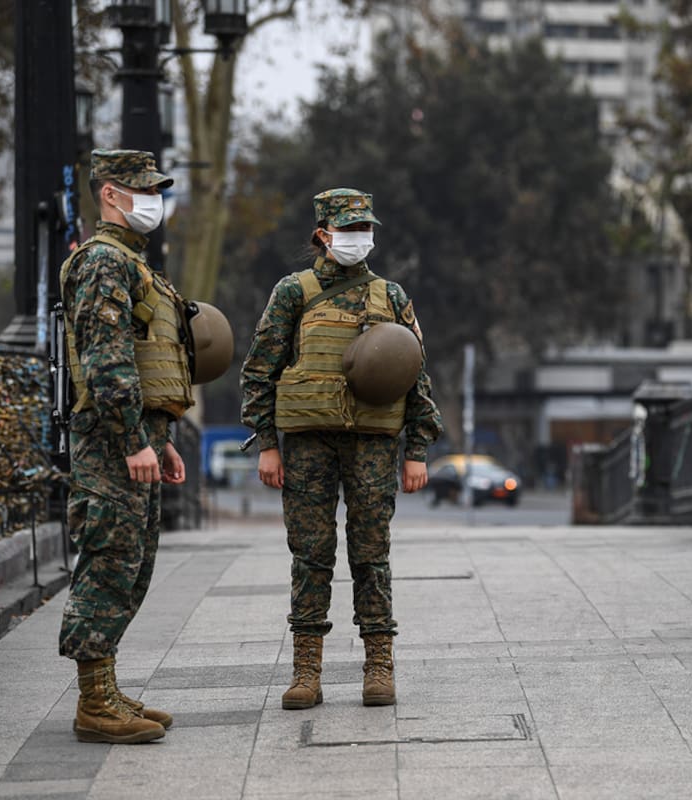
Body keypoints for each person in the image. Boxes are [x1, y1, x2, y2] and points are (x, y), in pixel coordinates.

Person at [240, 188, 443, 709]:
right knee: (310, 555)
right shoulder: (293, 292)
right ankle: (307, 670)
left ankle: (379, 664)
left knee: (371, 553)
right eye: (350, 230)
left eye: (366, 229)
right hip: (307, 444)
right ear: (324, 236)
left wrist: (417, 449)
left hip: (373, 444)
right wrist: (266, 445)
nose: (361, 239)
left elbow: (415, 374)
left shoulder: (392, 297)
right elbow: (259, 370)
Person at [58, 149, 194, 744]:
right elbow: (107, 361)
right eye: (141, 189)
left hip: (134, 438)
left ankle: (106, 687)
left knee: (130, 569)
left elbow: (146, 361)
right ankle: (94, 703)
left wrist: (159, 441)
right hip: (110, 442)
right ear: (110, 193)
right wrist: (135, 439)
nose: (153, 200)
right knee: (109, 565)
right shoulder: (103, 263)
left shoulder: (135, 264)